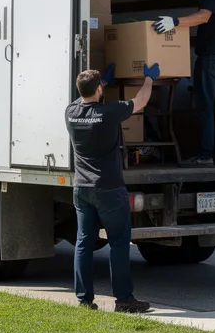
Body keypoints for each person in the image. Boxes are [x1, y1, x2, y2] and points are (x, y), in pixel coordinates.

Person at [65, 64, 159, 312]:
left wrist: (100, 83)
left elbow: (83, 98)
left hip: (81, 188)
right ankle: (124, 300)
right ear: (97, 89)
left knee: (84, 242)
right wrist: (149, 79)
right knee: (118, 242)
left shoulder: (71, 112)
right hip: (108, 189)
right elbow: (141, 101)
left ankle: (84, 300)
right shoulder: (110, 111)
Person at [152, 0, 215, 167]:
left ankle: (206, 156)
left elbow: (203, 17)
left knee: (205, 106)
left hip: (212, 58)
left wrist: (175, 22)